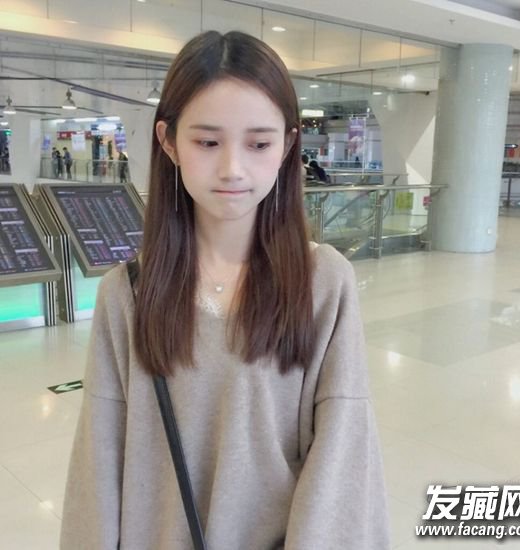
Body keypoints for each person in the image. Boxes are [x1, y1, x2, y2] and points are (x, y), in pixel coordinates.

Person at [60, 30, 389, 550]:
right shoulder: (126, 294)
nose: (233, 168)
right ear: (169, 141)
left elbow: (342, 462)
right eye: (208, 142)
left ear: (287, 145)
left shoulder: (323, 282)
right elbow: (98, 462)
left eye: (259, 143)